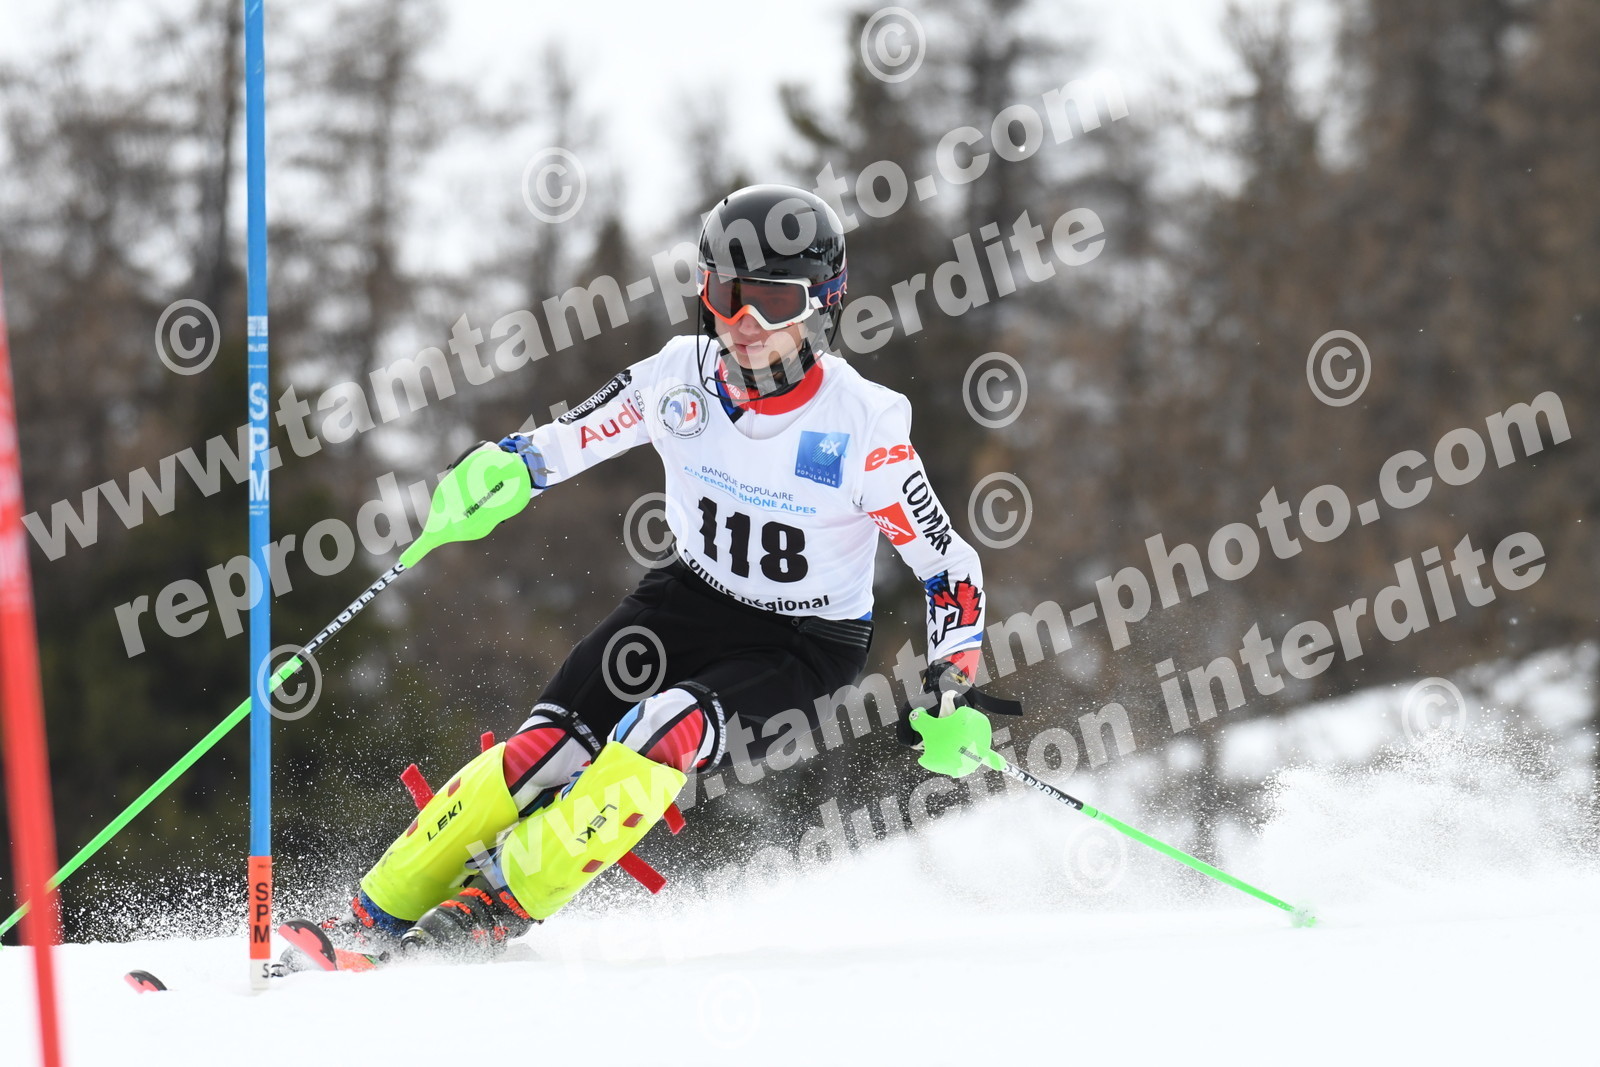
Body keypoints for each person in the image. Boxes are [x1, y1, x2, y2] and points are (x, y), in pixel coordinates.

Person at [338, 184, 994, 956]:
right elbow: (563, 442)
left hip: (804, 644)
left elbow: (946, 563)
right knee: (543, 751)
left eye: (774, 301)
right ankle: (375, 910)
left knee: (666, 727)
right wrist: (502, 469)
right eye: (728, 293)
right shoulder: (677, 378)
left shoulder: (863, 424)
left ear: (823, 301)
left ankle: (502, 902)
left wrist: (953, 676)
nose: (746, 324)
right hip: (688, 601)